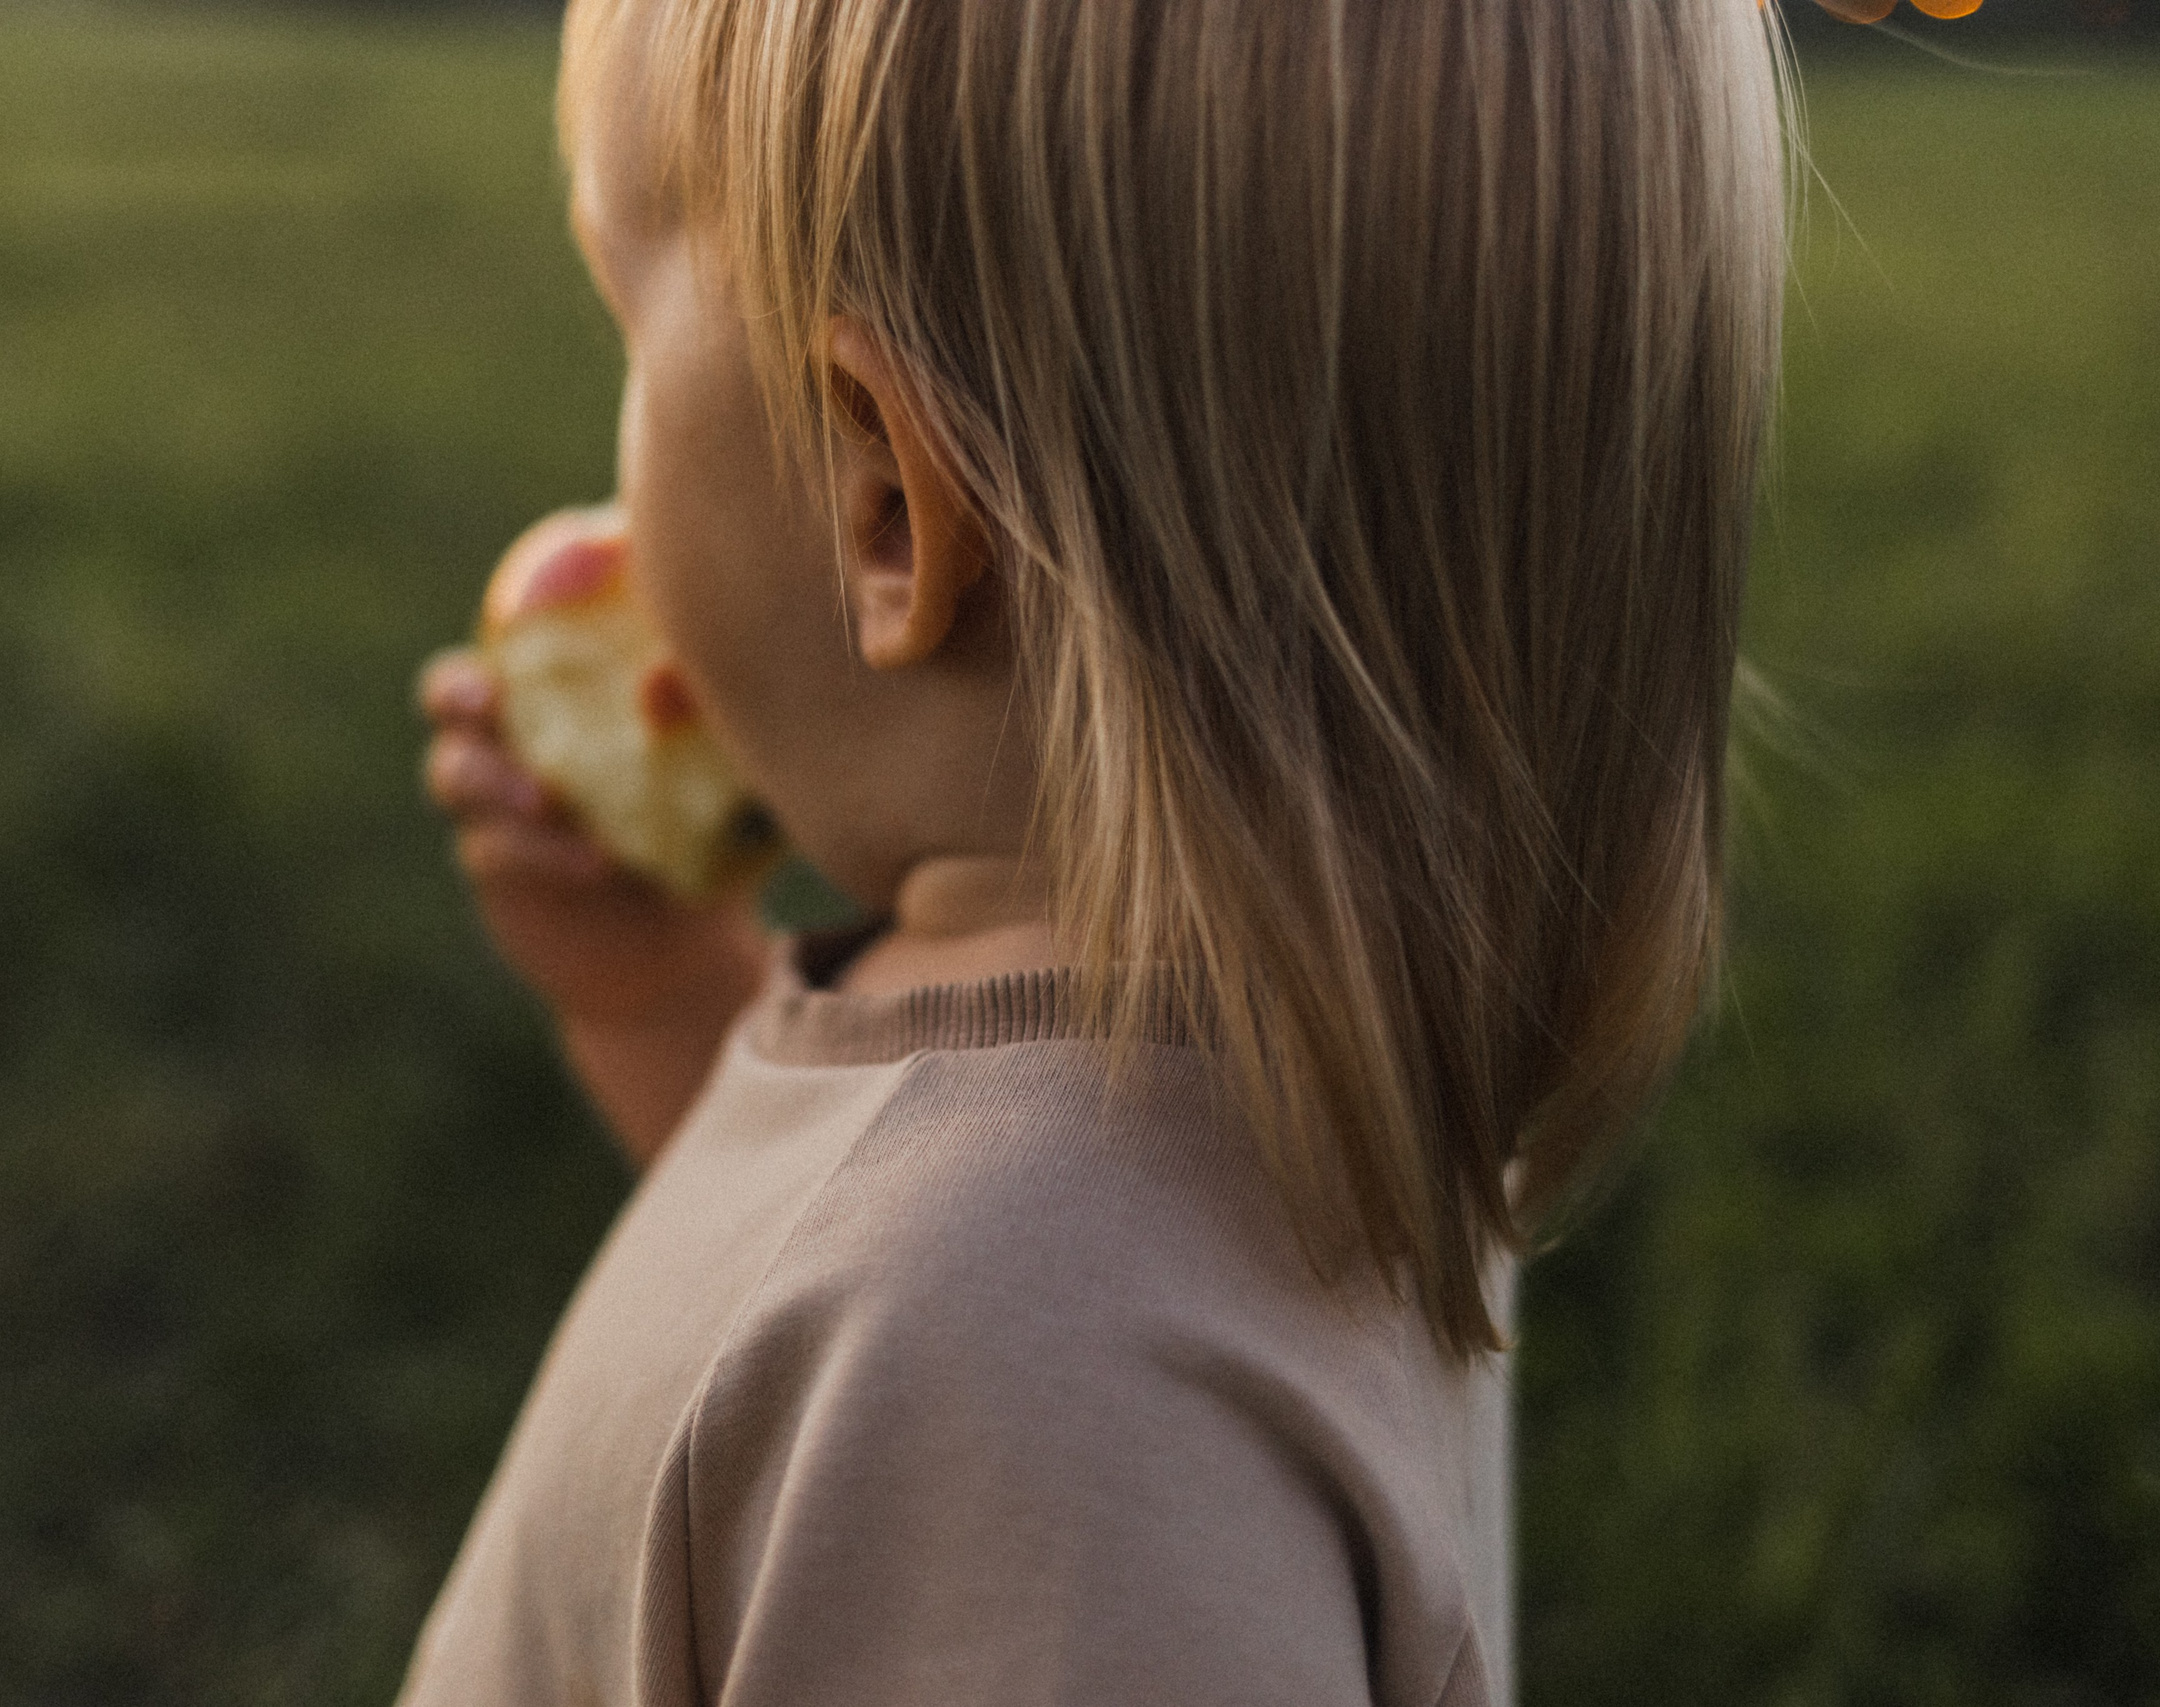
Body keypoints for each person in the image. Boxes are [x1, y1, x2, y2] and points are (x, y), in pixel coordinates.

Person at [408, 0, 1791, 1700]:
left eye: (630, 313)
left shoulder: (1030, 1377)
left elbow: (930, 1323)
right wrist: (665, 1000)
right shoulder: (1304, 1078)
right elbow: (812, 1312)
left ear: (888, 508)